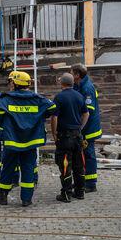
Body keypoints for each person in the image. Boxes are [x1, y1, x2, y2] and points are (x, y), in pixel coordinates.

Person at [0, 71, 56, 207]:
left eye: (10, 82)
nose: (9, 84)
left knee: (8, 168)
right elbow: (53, 108)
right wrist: (39, 116)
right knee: (28, 168)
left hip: (12, 141)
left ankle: (2, 197)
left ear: (15, 83)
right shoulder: (38, 99)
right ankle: (26, 199)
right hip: (30, 142)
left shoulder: (5, 99)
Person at [50, 73, 89, 202]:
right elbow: (86, 113)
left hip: (65, 137)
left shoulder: (59, 97)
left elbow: (54, 117)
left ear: (62, 83)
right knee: (79, 165)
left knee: (66, 165)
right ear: (72, 83)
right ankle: (80, 192)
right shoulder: (79, 96)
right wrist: (80, 127)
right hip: (77, 136)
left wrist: (54, 134)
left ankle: (66, 194)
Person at [71, 64, 102, 192]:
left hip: (88, 128)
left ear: (77, 75)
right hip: (83, 127)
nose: (70, 75)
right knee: (82, 154)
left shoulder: (87, 88)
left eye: (71, 73)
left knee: (89, 154)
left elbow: (87, 112)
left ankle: (91, 184)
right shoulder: (78, 85)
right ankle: (82, 180)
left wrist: (80, 128)